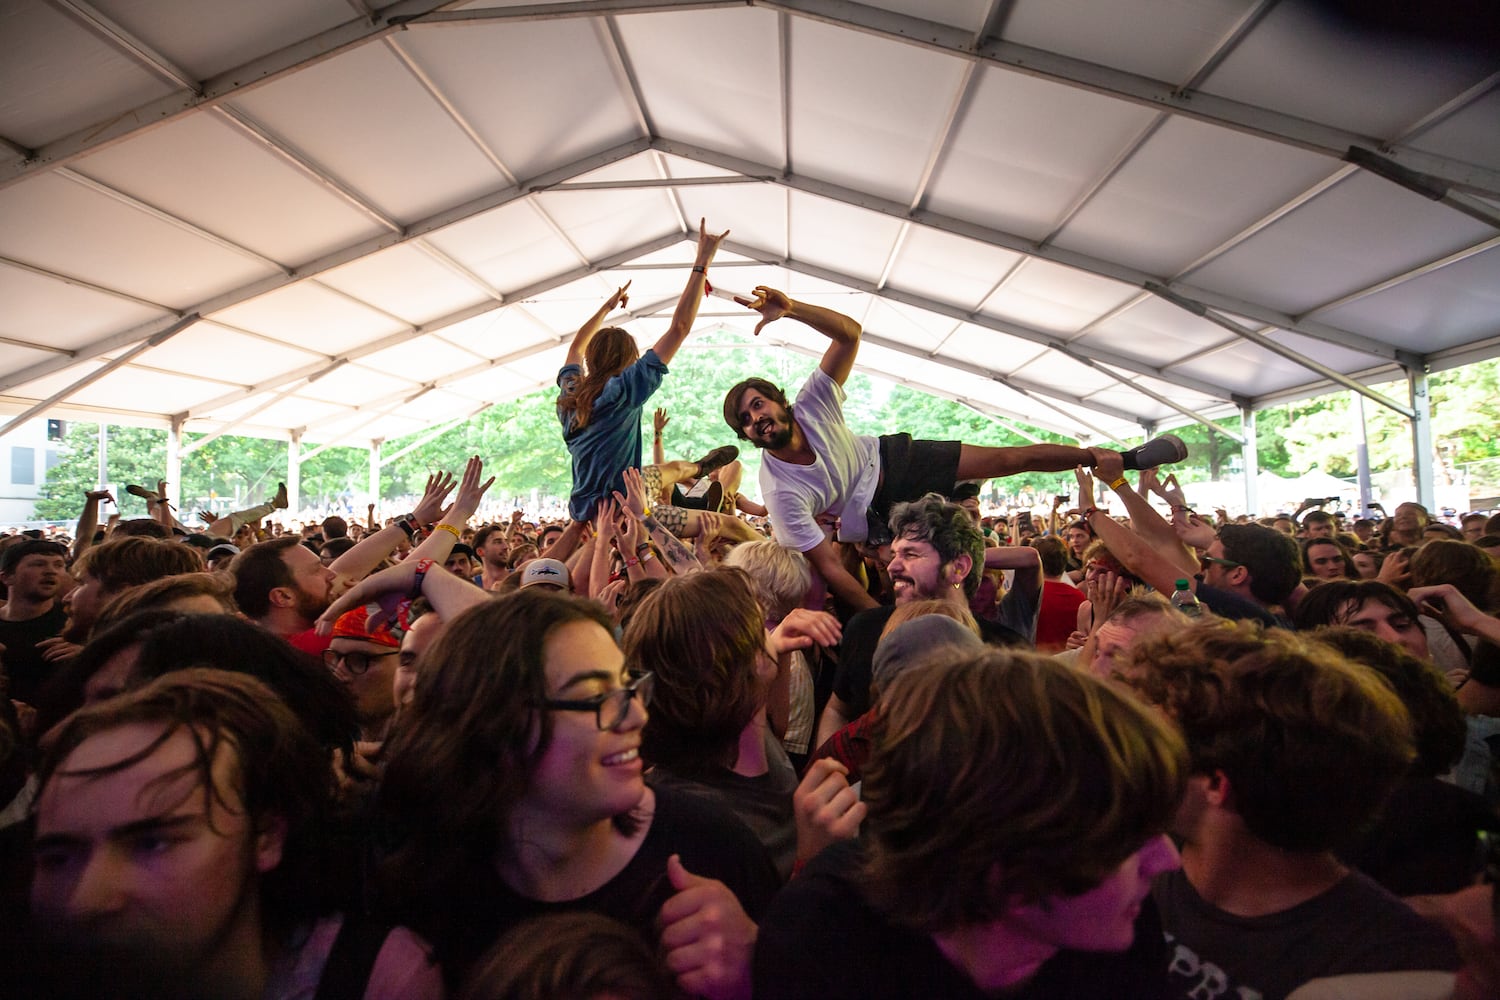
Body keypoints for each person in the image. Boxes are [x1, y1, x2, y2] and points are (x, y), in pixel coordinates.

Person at [379, 590, 779, 995]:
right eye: (594, 698)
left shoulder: (714, 851)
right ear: (495, 727)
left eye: (629, 687)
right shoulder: (430, 882)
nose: (638, 715)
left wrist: (757, 967)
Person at [755, 648, 1187, 999]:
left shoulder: (1125, 929)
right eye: (1127, 841)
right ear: (1003, 865)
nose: (1168, 859)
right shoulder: (828, 939)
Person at [720, 286, 1186, 611]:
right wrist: (876, 619)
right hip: (876, 514)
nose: (755, 417)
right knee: (912, 574)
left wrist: (793, 308)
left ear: (780, 402)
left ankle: (1120, 459)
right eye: (745, 419)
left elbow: (849, 334)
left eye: (758, 404)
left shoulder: (813, 403)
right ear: (746, 436)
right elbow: (830, 569)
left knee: (1008, 459)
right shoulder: (779, 491)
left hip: (892, 457)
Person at [28, 669, 442, 1000]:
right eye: (59, 857)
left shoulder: (373, 979)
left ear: (265, 836)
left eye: (153, 843)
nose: (85, 899)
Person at [1125, 622, 1461, 999]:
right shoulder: (1123, 862)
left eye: (1152, 739)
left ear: (1217, 786)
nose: (1131, 754)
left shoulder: (1392, 965)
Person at [557, 220, 736, 524]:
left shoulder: (572, 397)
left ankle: (698, 470)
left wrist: (607, 308)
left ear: (592, 359)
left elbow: (575, 348)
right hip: (626, 507)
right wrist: (702, 263)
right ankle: (699, 490)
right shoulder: (623, 390)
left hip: (584, 506)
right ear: (629, 360)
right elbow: (679, 328)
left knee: (675, 468)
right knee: (727, 525)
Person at [0, 539, 70, 705]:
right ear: (8, 577)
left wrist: (86, 653)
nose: (50, 571)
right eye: (38, 564)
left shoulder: (73, 622)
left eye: (58, 565)